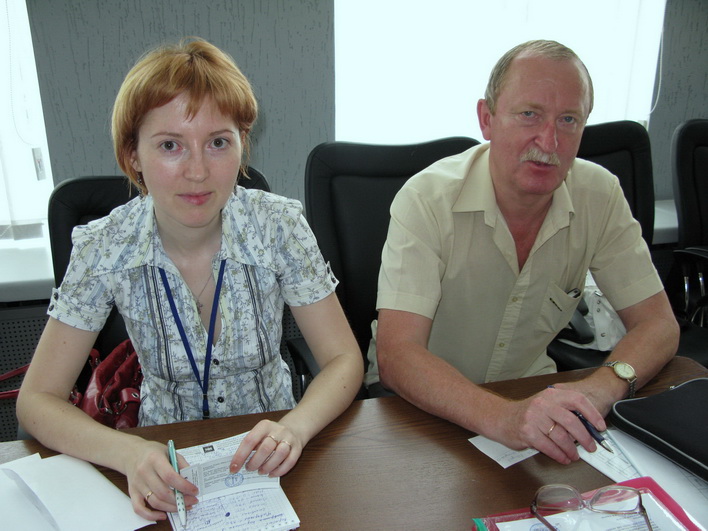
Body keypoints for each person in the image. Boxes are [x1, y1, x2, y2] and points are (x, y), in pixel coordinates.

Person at [17, 38, 363, 522]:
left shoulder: (279, 226)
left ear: (241, 143)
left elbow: (344, 360)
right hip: (160, 463)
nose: (198, 172)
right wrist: (127, 452)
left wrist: (296, 428)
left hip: (272, 459)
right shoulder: (104, 246)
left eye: (218, 142)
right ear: (133, 155)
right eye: (170, 145)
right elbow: (36, 401)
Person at [367, 40, 679, 465]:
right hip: (417, 406)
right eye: (529, 114)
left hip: (531, 397)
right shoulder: (427, 199)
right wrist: (505, 418)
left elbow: (658, 324)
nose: (549, 141)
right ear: (487, 119)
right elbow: (397, 354)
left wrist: (601, 388)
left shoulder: (599, 194)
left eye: (568, 120)